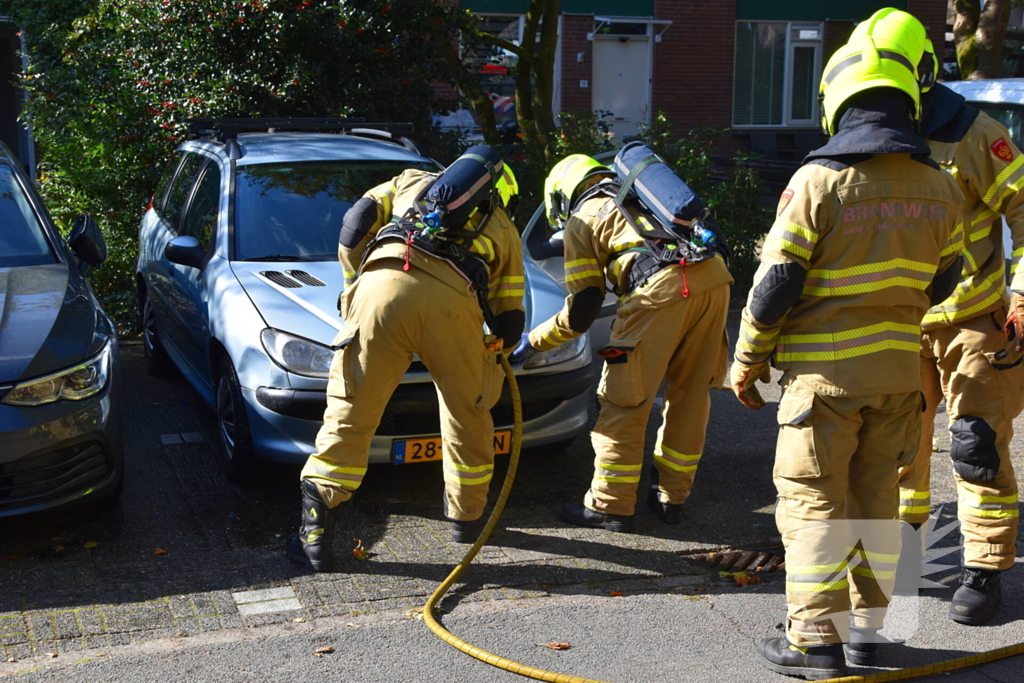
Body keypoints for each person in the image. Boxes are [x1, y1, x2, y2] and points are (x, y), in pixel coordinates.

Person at [730, 20, 965, 679]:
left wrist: (746, 363)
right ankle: (867, 635)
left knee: (812, 502)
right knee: (874, 503)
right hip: (896, 379)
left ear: (840, 99)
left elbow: (775, 285)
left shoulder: (820, 182)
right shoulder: (940, 185)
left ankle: (813, 641)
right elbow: (946, 275)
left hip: (823, 383)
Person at [853, 8, 1024, 626]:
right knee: (899, 445)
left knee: (976, 446)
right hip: (903, 323)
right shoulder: (874, 127)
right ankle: (905, 554)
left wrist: (1022, 294)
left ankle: (984, 569)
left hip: (973, 320)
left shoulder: (976, 134)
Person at [286, 147, 526, 572]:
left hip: (381, 288)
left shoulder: (409, 180)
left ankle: (316, 530)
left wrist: (354, 288)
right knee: (466, 412)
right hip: (453, 305)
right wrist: (489, 353)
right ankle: (467, 521)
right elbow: (509, 316)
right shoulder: (502, 225)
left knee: (351, 411)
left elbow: (354, 224)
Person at [511, 153, 733, 532]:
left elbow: (583, 308)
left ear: (562, 198)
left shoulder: (585, 216)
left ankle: (610, 504)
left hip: (658, 293)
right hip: (715, 280)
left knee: (624, 399)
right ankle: (671, 498)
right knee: (691, 394)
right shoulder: (643, 197)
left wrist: (534, 340)